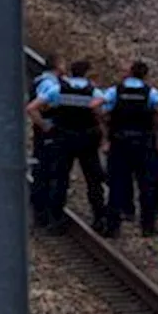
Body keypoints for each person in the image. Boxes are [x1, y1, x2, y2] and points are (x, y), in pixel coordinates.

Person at [27, 59, 107, 234]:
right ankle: (100, 218)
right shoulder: (94, 91)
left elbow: (32, 108)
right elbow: (101, 111)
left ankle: (55, 219)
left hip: (63, 139)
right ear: (87, 74)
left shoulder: (58, 89)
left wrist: (45, 125)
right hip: (87, 140)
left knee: (60, 179)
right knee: (93, 179)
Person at [101, 61, 158, 237]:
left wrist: (106, 122)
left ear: (130, 73)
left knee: (117, 184)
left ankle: (113, 226)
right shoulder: (149, 92)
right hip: (143, 142)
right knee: (146, 185)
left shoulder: (116, 90)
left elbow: (97, 105)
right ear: (145, 75)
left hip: (120, 142)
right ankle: (147, 226)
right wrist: (157, 122)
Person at [27, 54, 65, 230]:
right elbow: (36, 106)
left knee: (44, 171)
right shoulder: (49, 84)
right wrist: (45, 124)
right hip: (48, 134)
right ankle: (45, 214)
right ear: (57, 65)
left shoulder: (41, 80)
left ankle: (42, 212)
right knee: (47, 172)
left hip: (44, 134)